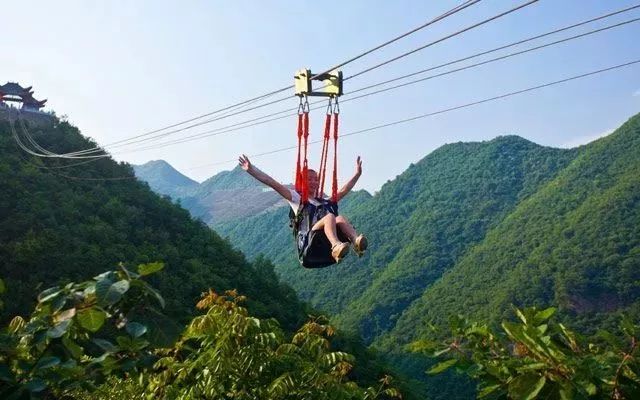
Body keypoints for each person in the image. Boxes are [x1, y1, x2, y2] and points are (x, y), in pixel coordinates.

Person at [238, 154, 367, 265]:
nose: (313, 182)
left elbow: (343, 191)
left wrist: (357, 174)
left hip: (321, 241)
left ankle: (355, 241)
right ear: (302, 181)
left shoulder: (324, 201)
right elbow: (272, 182)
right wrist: (251, 170)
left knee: (340, 218)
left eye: (315, 179)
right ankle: (335, 246)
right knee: (330, 217)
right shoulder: (296, 198)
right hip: (309, 242)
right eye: (309, 179)